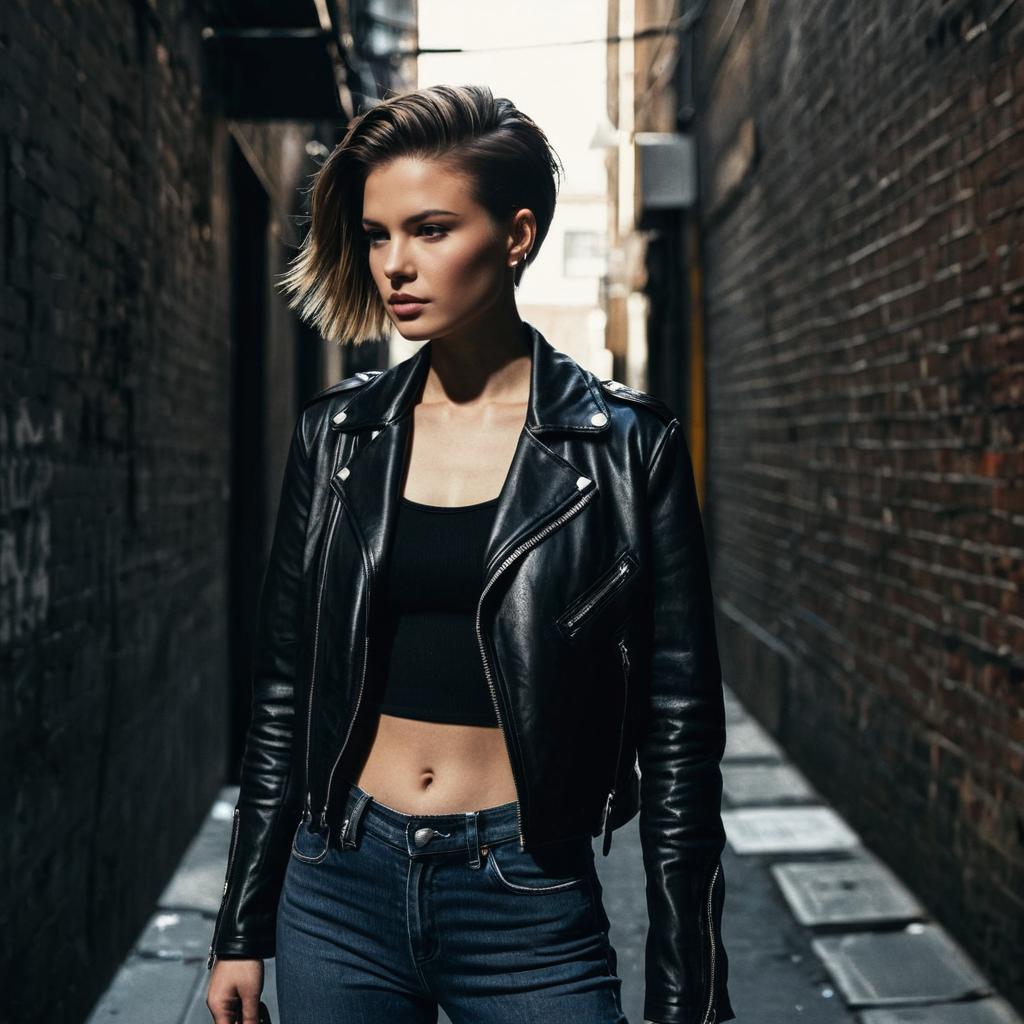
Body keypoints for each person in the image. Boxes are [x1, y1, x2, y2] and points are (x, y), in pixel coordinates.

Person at [205, 83, 735, 1024]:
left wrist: (686, 991)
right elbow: (283, 690)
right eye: (377, 235)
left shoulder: (625, 449)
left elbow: (680, 728)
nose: (394, 265)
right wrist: (241, 928)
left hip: (525, 895)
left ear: (517, 235)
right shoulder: (337, 437)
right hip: (340, 885)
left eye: (431, 229)